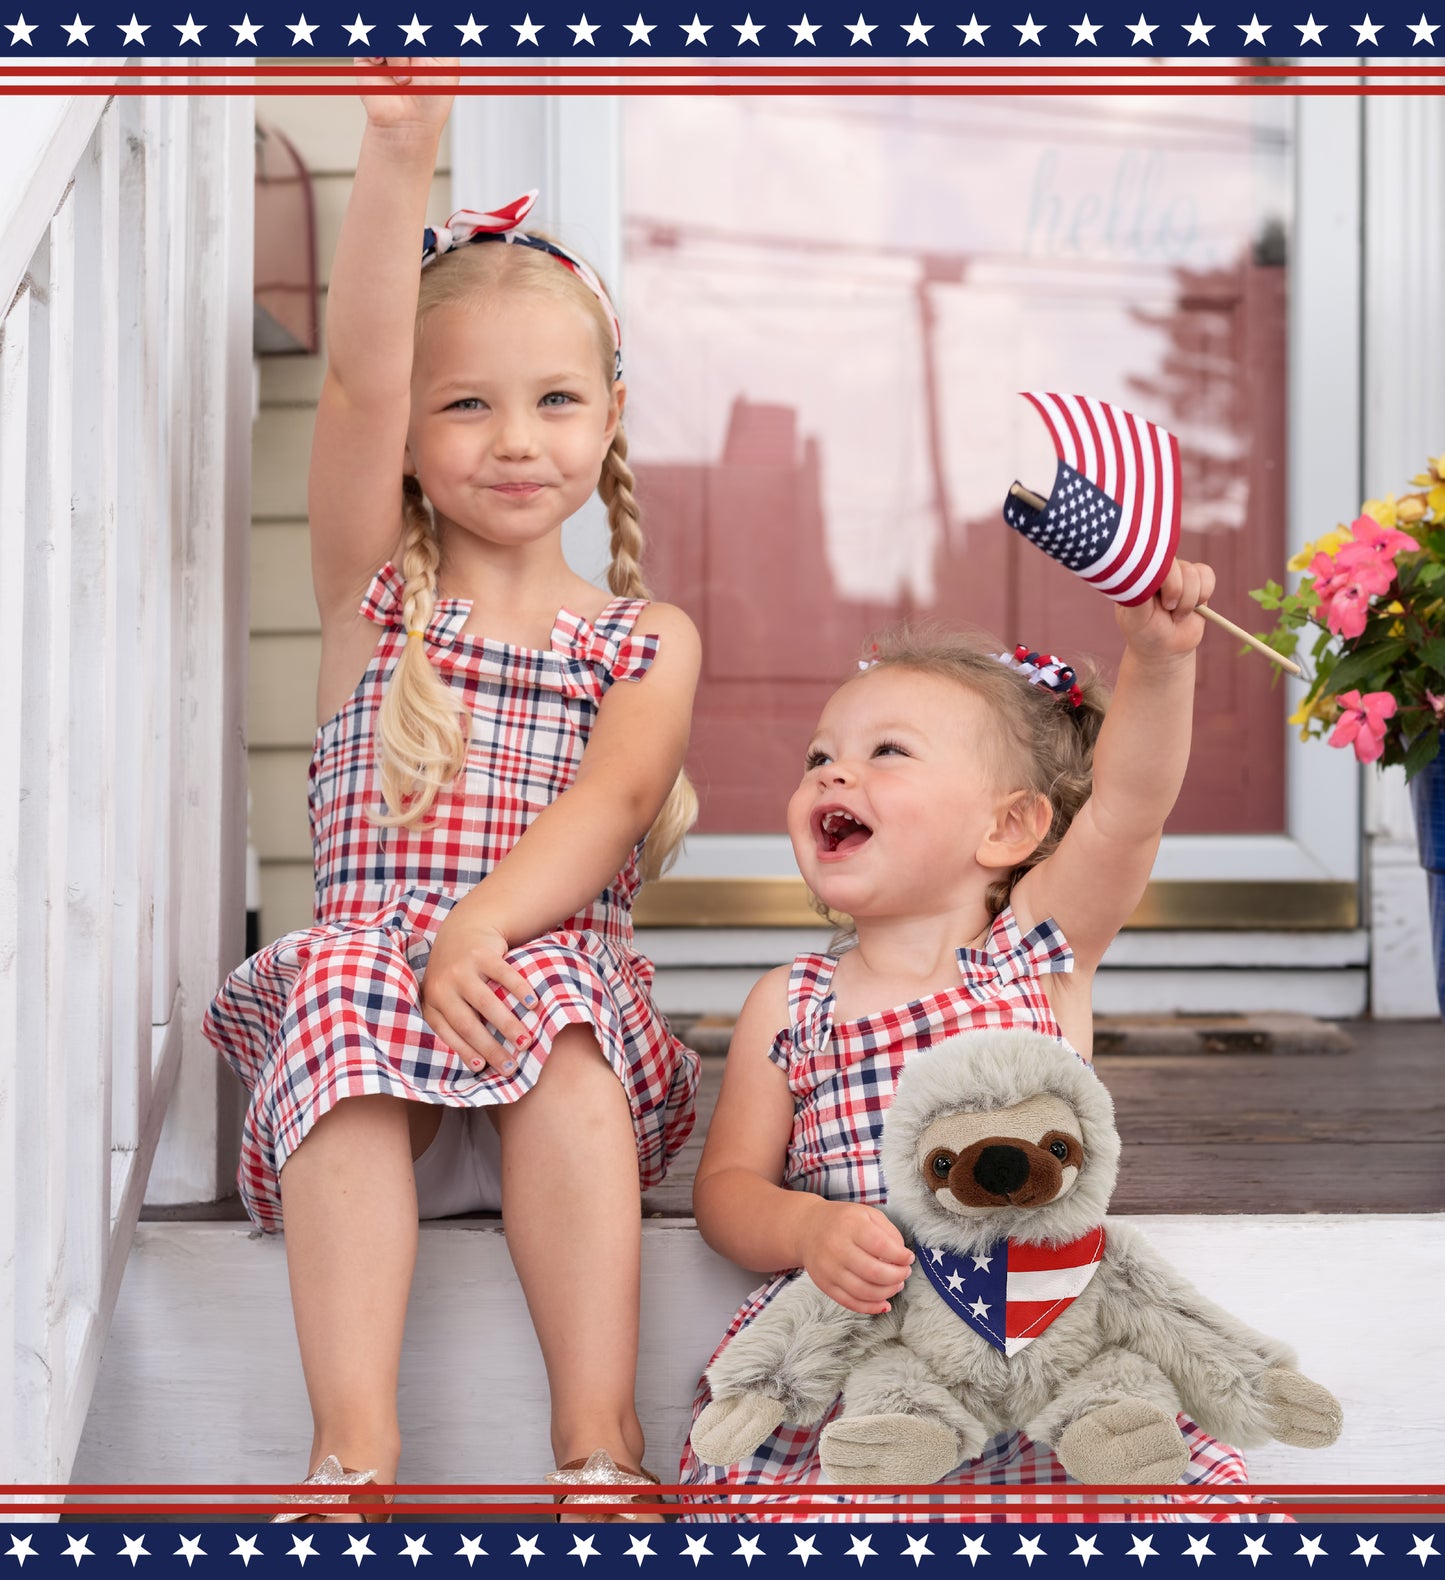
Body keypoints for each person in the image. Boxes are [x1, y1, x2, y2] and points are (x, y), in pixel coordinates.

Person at [205, 61, 700, 1523]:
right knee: (354, 976)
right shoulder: (375, 601)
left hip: (548, 1049)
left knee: (551, 998)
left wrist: (482, 927)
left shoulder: (642, 637)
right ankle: (350, 1458)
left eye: (554, 400)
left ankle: (597, 1448)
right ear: (415, 441)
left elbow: (609, 805)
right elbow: (354, 371)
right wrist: (399, 143)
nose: (513, 438)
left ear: (610, 417)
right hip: (375, 1082)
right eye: (465, 405)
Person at [680, 560, 1268, 1522]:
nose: (833, 771)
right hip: (872, 1371)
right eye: (819, 757)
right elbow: (726, 1190)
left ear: (1008, 826)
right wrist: (807, 1229)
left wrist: (1159, 663)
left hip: (1047, 1355)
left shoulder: (1035, 954)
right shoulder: (792, 1003)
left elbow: (1127, 811)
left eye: (887, 753)